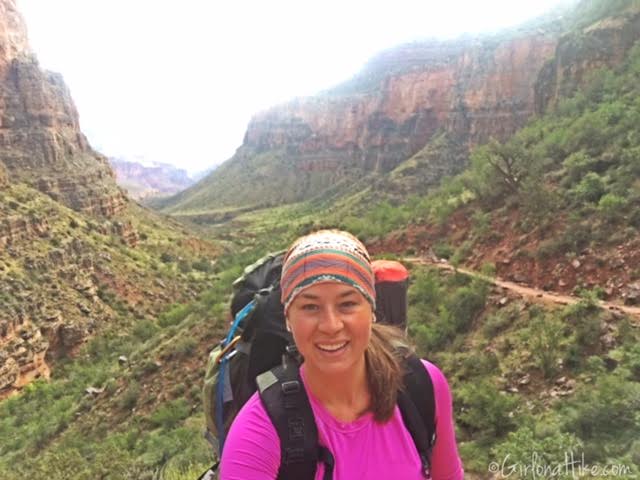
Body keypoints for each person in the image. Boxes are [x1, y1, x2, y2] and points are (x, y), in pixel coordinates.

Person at [220, 230, 464, 479]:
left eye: (347, 304)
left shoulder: (422, 385)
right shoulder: (257, 436)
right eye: (310, 307)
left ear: (372, 310)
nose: (331, 325)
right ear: (289, 320)